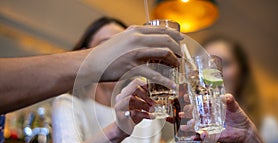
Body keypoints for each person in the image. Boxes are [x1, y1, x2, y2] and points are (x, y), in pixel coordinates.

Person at [51, 17, 167, 143]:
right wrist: (118, 130)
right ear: (84, 55)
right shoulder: (69, 104)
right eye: (107, 47)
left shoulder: (147, 115)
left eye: (124, 49)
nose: (117, 56)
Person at [0, 24, 182, 115]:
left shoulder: (142, 108)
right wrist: (94, 60)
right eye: (107, 46)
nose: (117, 53)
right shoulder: (70, 106)